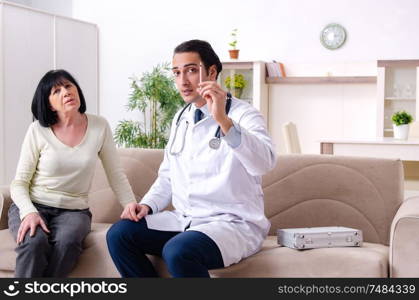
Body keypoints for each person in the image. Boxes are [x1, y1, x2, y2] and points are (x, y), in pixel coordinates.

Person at [106, 40, 277, 277]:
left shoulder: (243, 114)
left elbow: (264, 163)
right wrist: (147, 205)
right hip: (185, 220)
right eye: (177, 73)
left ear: (212, 72)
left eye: (192, 70)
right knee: (119, 234)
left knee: (179, 251)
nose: (183, 81)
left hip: (231, 224)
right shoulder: (181, 118)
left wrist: (223, 121)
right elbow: (167, 176)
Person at [8, 69, 138, 277]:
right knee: (34, 242)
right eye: (56, 91)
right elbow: (19, 182)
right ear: (48, 103)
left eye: (68, 86)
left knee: (68, 242)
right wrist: (29, 212)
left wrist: (130, 203)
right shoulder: (37, 130)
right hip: (34, 204)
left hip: (74, 211)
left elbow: (115, 173)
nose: (66, 92)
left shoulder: (99, 126)